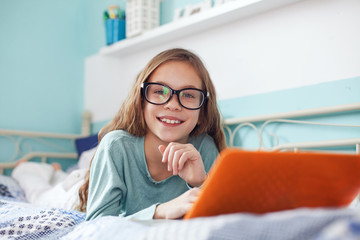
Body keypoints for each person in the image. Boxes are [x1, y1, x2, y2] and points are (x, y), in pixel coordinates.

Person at [78, 48, 226, 220]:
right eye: (159, 91)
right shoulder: (116, 147)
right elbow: (97, 225)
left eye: (188, 95)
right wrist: (159, 212)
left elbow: (220, 220)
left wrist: (201, 182)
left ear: (202, 112)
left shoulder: (204, 147)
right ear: (141, 102)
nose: (172, 105)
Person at [11, 147, 96, 210]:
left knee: (40, 193)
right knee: (61, 184)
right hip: (82, 183)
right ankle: (56, 172)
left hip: (78, 191)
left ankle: (22, 167)